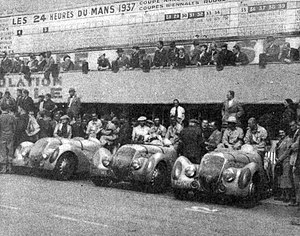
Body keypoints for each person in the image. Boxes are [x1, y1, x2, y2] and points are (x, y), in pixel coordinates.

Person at [275, 129, 292, 202]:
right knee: (281, 178)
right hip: (280, 161)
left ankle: (287, 196)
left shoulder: (288, 140)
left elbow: (287, 151)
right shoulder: (280, 141)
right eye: (280, 133)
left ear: (285, 133)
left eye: (282, 132)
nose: (281, 134)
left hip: (286, 161)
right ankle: (282, 195)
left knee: (286, 178)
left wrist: (280, 159)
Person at [0, 105, 16, 173]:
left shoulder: (0, 117)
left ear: (1, 108)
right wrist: (12, 133)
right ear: (7, 109)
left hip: (2, 135)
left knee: (3, 151)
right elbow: (14, 127)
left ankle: (3, 167)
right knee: (10, 150)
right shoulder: (12, 117)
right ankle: (10, 167)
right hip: (10, 135)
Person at [288, 120, 300, 206]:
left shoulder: (298, 134)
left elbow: (295, 145)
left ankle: (297, 200)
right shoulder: (295, 133)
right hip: (295, 158)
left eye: (293, 126)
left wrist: (291, 146)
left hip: (297, 159)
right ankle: (297, 200)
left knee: (296, 181)